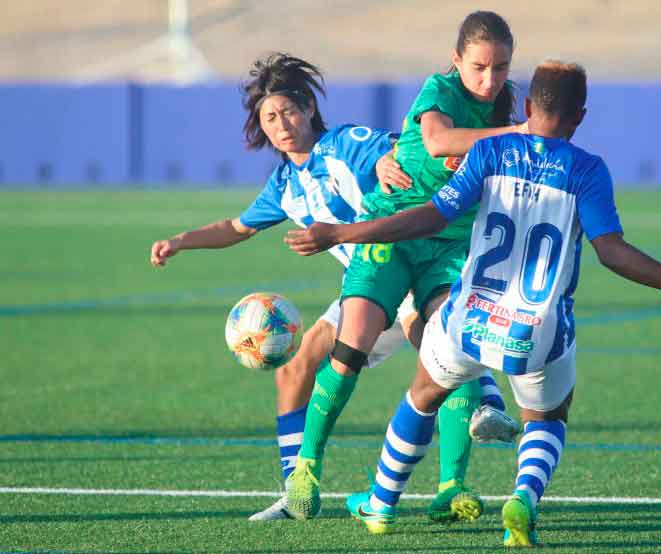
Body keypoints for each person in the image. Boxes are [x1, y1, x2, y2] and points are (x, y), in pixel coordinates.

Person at [285, 60, 661, 545]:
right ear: (580, 116)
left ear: (526, 107)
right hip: (537, 331)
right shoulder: (587, 170)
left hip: (471, 318)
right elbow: (613, 253)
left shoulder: (491, 152)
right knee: (547, 418)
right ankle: (522, 497)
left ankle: (379, 504)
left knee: (423, 393)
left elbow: (429, 217)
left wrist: (344, 232)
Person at [148, 52, 513, 522]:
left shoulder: (345, 143)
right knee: (295, 369)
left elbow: (404, 146)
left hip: (398, 256)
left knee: (436, 355)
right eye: (271, 117)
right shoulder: (284, 185)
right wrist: (180, 241)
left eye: (290, 111)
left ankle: (480, 413)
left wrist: (386, 160)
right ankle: (297, 488)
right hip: (366, 279)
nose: (283, 123)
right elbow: (235, 227)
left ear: (310, 110)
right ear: (261, 128)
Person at [279, 10, 529, 524]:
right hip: (391, 232)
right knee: (351, 349)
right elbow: (437, 141)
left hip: (448, 248)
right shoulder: (439, 90)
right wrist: (521, 132)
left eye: (501, 68)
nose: (489, 80)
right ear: (456, 60)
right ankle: (306, 466)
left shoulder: (501, 108)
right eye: (479, 67)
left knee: (450, 352)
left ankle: (450, 488)